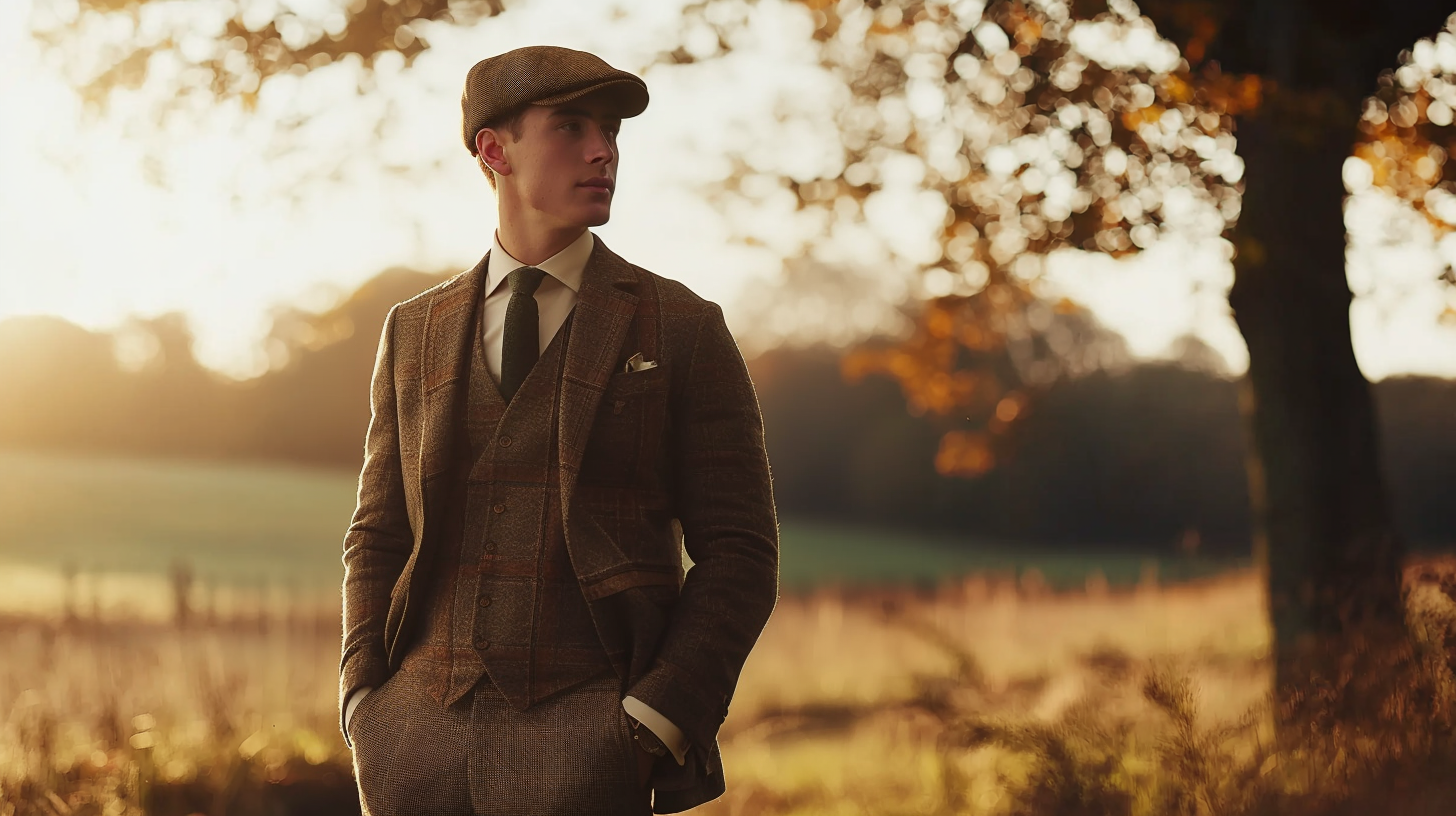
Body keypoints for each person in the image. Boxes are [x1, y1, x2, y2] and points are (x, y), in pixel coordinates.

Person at [338, 45, 780, 816]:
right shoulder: (414, 329)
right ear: (493, 149)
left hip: (596, 733)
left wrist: (658, 715)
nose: (603, 149)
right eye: (571, 127)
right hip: (413, 739)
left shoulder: (683, 326)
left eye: (610, 131)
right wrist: (363, 698)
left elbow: (741, 550)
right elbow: (378, 530)